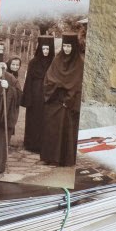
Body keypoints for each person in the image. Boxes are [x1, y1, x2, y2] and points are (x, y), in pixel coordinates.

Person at [40, 33, 84, 166]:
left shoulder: (79, 63)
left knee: (64, 130)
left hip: (68, 103)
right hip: (54, 99)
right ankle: (48, 157)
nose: (66, 49)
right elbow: (49, 77)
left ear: (74, 47)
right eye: (64, 46)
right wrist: (57, 85)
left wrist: (68, 99)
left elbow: (77, 84)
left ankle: (62, 159)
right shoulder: (57, 60)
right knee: (51, 130)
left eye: (69, 46)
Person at [21, 36, 54, 152]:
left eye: (48, 49)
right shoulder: (33, 62)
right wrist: (28, 99)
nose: (45, 51)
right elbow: (28, 81)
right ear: (40, 49)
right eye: (43, 49)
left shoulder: (54, 62)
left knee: (46, 119)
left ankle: (44, 145)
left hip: (48, 95)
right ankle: (32, 144)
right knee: (34, 119)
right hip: (35, 95)